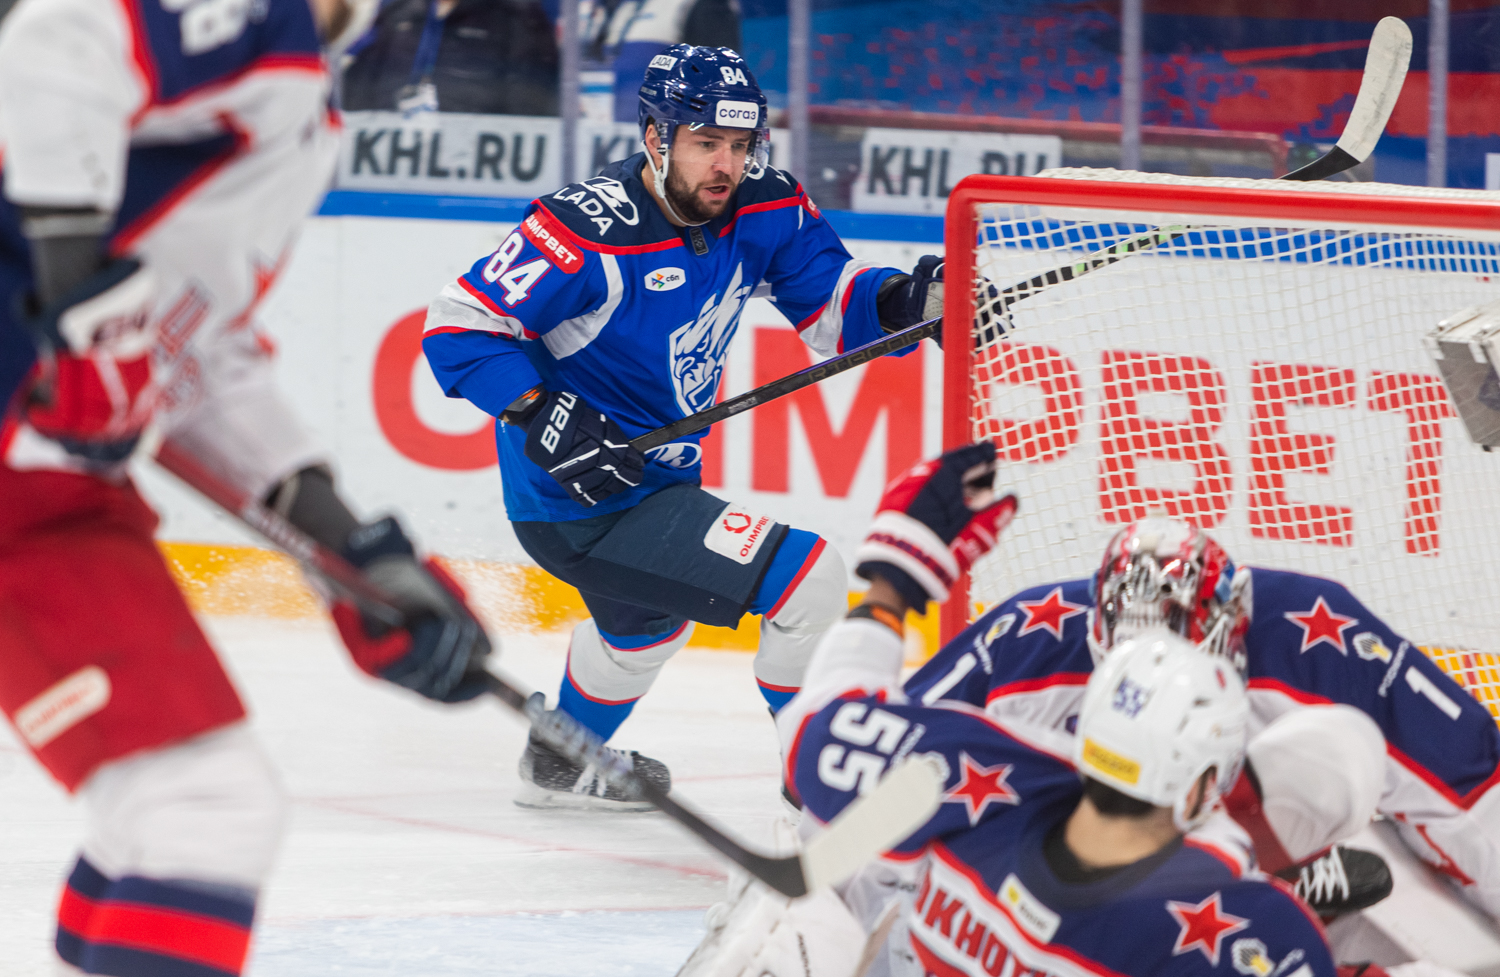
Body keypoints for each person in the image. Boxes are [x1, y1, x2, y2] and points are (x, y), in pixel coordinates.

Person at [0, 0, 492, 972]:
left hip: (52, 484)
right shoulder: (266, 20)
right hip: (24, 462)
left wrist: (353, 548)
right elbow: (59, 36)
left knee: (172, 815)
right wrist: (81, 300)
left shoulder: (303, 101)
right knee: (197, 811)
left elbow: (198, 356)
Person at [422, 43, 946, 810]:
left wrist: (906, 302)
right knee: (810, 581)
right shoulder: (586, 230)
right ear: (655, 138)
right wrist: (538, 409)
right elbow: (459, 323)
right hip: (577, 499)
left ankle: (559, 757)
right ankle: (826, 784)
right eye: (706, 143)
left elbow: (831, 301)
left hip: (658, 480)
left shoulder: (764, 204)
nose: (726, 165)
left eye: (740, 144)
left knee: (646, 632)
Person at [678, 446, 1337, 977]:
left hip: (954, 914)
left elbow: (832, 734)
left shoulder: (995, 768)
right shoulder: (1242, 904)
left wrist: (891, 586)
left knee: (814, 886)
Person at [904, 515, 1500, 922]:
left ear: (1235, 624)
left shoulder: (1319, 641)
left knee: (1328, 754)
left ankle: (1264, 871)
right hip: (1049, 888)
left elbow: (1472, 794)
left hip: (1147, 894)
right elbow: (886, 754)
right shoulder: (1025, 642)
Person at [339, 0, 559, 115]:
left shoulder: (517, 17)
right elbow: (358, 95)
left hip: (477, 169)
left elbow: (533, 107)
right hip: (390, 164)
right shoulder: (399, 12)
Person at [578, 0, 743, 123]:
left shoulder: (699, 6)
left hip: (658, 147)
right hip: (596, 141)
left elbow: (718, 92)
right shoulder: (610, 9)